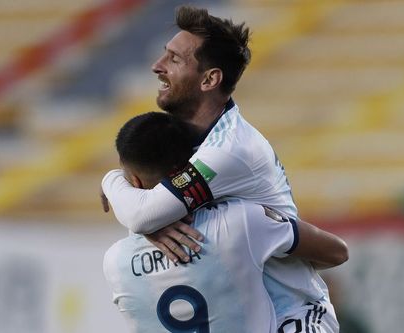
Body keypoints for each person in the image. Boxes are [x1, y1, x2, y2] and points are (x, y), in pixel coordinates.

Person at [101, 6, 348, 332]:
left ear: (209, 79)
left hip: (294, 317)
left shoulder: (229, 150)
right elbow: (144, 203)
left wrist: (113, 182)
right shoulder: (179, 134)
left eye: (174, 59)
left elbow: (141, 214)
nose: (157, 66)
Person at [103, 112, 345, 332]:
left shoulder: (115, 262)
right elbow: (336, 252)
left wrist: (112, 181)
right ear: (191, 165)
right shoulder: (240, 222)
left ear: (132, 183)